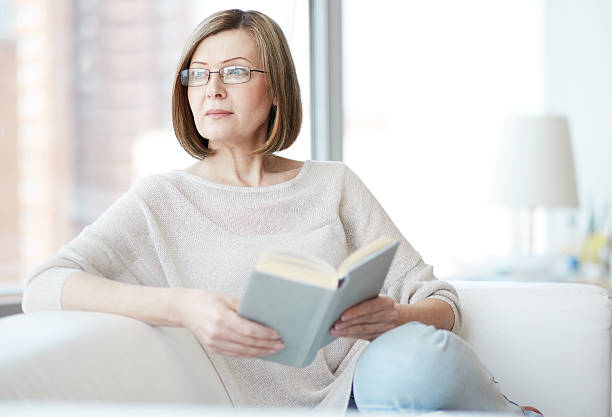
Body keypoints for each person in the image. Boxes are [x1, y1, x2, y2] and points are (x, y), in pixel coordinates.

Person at [22, 9, 542, 417]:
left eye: (235, 72)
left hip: (371, 379)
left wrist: (397, 316)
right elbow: (44, 287)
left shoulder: (333, 184)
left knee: (420, 360)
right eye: (198, 75)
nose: (212, 89)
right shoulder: (160, 200)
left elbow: (443, 304)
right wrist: (185, 307)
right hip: (275, 406)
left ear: (275, 90)